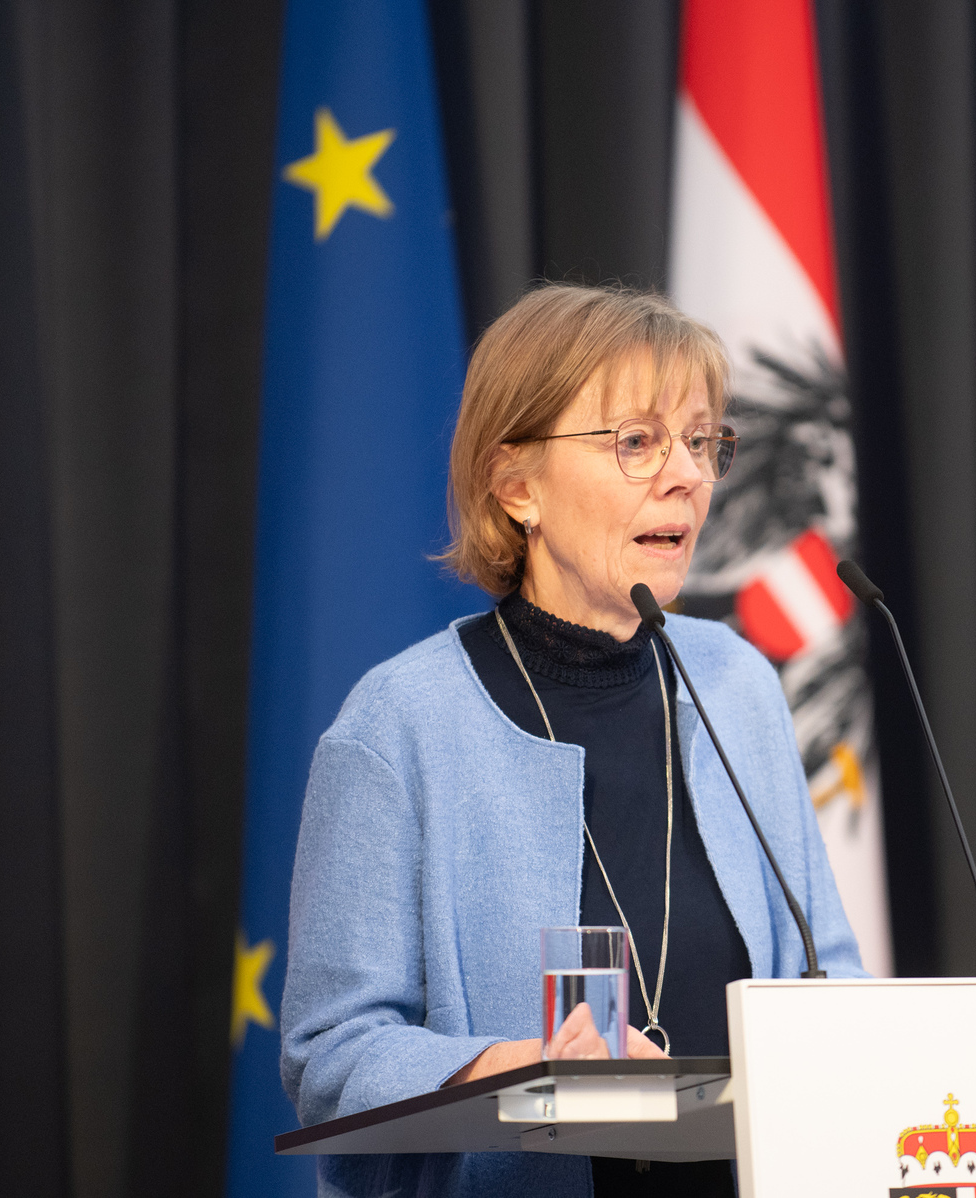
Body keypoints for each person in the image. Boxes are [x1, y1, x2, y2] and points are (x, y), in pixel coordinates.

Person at [280, 283, 866, 1198]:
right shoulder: (400, 724)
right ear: (518, 487)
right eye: (637, 442)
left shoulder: (737, 684)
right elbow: (332, 1054)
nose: (688, 475)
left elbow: (826, 975)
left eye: (701, 441)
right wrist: (516, 1072)